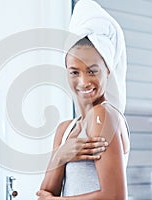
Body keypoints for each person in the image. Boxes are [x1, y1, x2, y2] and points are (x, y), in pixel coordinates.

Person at [37, 0, 130, 199]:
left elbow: (114, 196)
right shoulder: (65, 130)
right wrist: (61, 155)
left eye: (92, 71)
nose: (83, 81)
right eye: (74, 72)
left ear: (107, 70)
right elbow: (42, 195)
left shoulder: (103, 115)